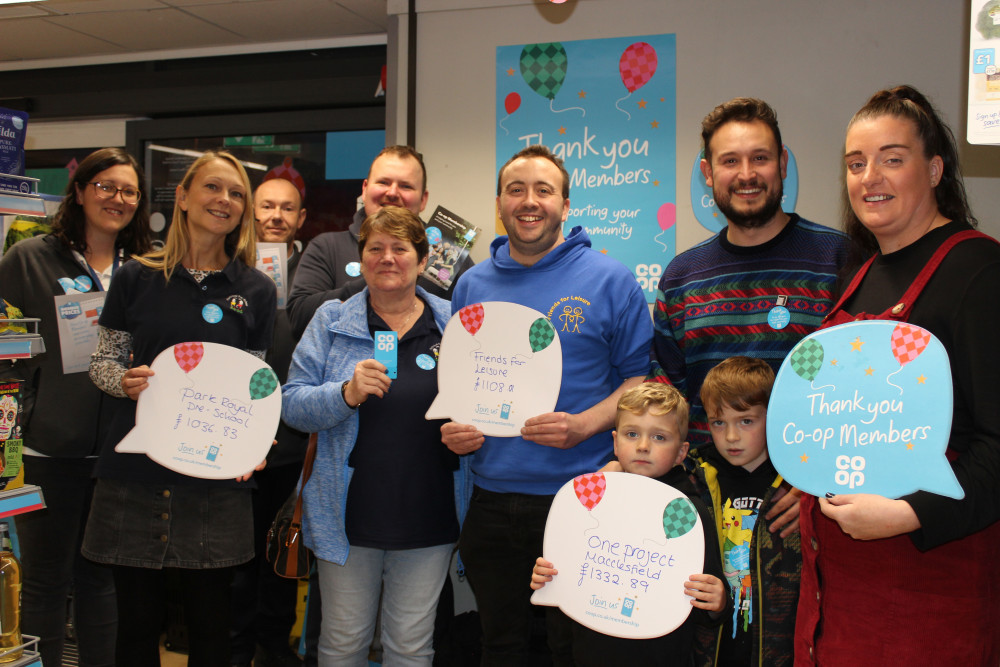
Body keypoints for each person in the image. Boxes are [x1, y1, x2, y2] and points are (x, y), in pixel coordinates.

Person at [796, 85, 1000, 665]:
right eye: (856, 164)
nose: (869, 177)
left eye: (892, 158)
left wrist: (911, 513)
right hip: (834, 589)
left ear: (934, 169)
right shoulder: (857, 277)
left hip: (930, 581)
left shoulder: (979, 272)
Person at [442, 145, 653, 664]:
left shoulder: (610, 279)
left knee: (573, 648)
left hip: (579, 498)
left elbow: (639, 381)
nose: (529, 201)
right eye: (516, 190)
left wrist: (584, 425)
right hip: (489, 499)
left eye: (543, 190)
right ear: (499, 204)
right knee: (500, 646)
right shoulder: (470, 285)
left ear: (565, 204)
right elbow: (462, 383)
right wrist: (454, 427)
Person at [83, 150, 276, 667]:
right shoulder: (135, 278)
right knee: (137, 629)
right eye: (213, 188)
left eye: (237, 194)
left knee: (213, 633)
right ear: (184, 198)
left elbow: (254, 387)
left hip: (212, 478)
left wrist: (254, 441)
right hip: (135, 474)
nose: (225, 201)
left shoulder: (255, 290)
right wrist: (124, 381)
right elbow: (102, 364)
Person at [281, 205, 470, 666]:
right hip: (347, 515)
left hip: (429, 511)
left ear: (423, 261)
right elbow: (291, 405)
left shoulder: (458, 324)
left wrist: (475, 432)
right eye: (375, 248)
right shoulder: (331, 320)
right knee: (343, 642)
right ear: (361, 258)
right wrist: (344, 394)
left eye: (400, 249)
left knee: (410, 645)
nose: (387, 258)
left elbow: (481, 401)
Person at [0, 147, 152, 667]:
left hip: (122, 451)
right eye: (106, 186)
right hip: (48, 448)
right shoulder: (29, 259)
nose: (118, 198)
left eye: (129, 190)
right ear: (82, 191)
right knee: (44, 581)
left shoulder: (148, 268)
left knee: (101, 579)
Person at [651, 98, 849, 449]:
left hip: (809, 489)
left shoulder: (839, 259)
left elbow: (858, 386)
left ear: (782, 164)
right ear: (708, 173)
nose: (746, 174)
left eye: (760, 158)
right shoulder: (681, 277)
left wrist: (810, 486)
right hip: (707, 493)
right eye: (730, 161)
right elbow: (667, 401)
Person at [530, 383, 726, 666]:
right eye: (632, 434)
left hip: (660, 656)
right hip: (588, 651)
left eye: (659, 437)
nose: (643, 446)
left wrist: (717, 602)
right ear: (615, 442)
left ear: (682, 452)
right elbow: (565, 573)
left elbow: (707, 597)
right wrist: (547, 577)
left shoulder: (687, 512)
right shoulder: (588, 500)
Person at [230, 176, 308, 667]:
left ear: (301, 218)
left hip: (292, 443)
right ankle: (236, 649)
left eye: (287, 208)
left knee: (283, 558)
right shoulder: (228, 269)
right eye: (266, 206)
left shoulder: (311, 273)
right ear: (250, 212)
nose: (275, 216)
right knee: (236, 560)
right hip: (235, 440)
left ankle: (275, 650)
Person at [286, 145, 472, 338]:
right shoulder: (327, 247)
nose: (392, 193)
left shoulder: (447, 255)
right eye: (383, 182)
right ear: (365, 189)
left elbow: (472, 329)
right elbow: (299, 319)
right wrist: (373, 280)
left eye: (405, 186)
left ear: (423, 199)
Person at [690, 357, 800, 666]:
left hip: (780, 646)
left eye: (746, 421)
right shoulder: (694, 478)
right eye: (718, 422)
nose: (731, 437)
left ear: (773, 416)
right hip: (710, 646)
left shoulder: (797, 484)